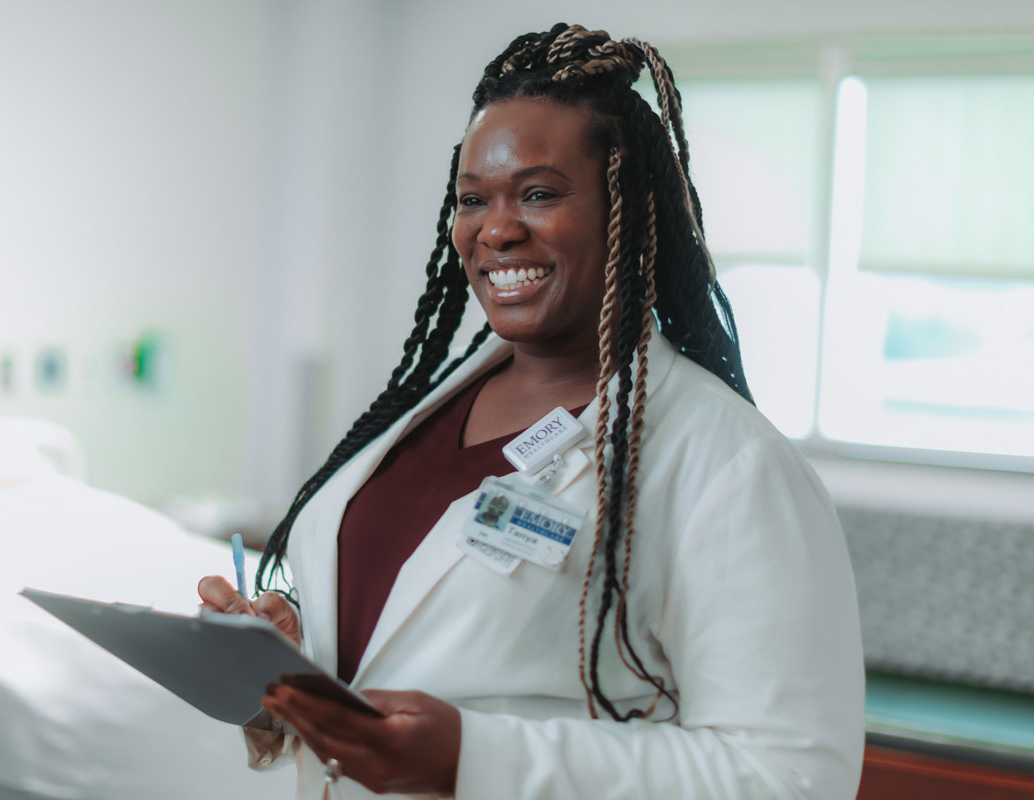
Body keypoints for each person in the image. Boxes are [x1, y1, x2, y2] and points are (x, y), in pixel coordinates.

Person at [199, 23, 864, 799]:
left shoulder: (727, 464)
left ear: (630, 211)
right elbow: (404, 651)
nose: (497, 228)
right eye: (473, 199)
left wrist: (474, 759)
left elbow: (790, 776)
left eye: (540, 194)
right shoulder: (421, 414)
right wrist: (286, 669)